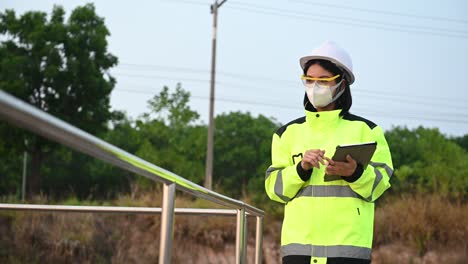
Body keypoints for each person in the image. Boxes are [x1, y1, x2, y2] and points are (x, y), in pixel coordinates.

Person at [265, 41, 393, 264]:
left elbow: (380, 186)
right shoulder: (286, 134)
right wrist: (301, 169)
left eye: (323, 80)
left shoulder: (367, 131)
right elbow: (275, 190)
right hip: (299, 251)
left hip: (348, 251)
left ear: (342, 84)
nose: (315, 86)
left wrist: (355, 173)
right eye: (309, 80)